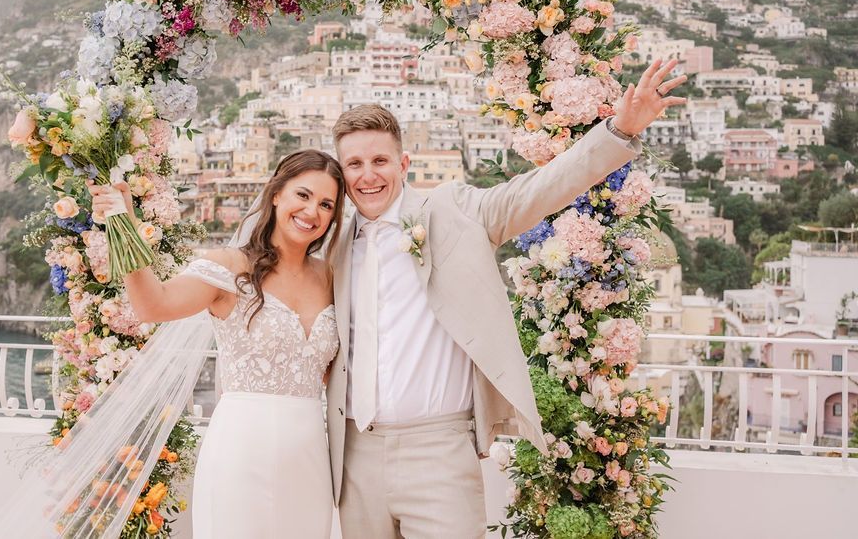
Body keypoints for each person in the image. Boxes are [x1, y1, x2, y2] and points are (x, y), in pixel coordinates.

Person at [327, 59, 687, 538]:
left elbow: (539, 190)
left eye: (379, 161)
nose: (368, 176)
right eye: (355, 164)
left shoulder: (454, 211)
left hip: (439, 450)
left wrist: (619, 130)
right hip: (355, 454)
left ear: (403, 165)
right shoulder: (330, 245)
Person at [88, 148, 346, 538]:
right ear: (276, 193)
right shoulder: (229, 265)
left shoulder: (331, 278)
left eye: (326, 204)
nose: (312, 212)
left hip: (310, 459)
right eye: (303, 195)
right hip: (242, 453)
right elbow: (151, 305)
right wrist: (122, 224)